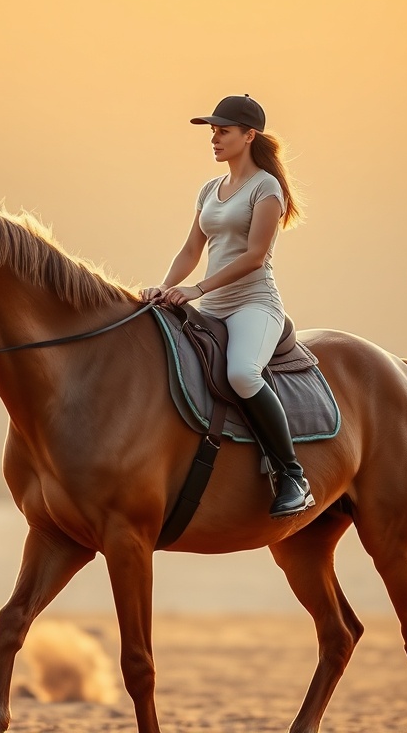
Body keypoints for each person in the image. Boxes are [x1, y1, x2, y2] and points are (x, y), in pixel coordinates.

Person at [141, 94, 314, 519]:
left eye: (223, 131)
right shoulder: (209, 189)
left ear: (249, 136)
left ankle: (292, 476)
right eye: (213, 132)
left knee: (241, 372)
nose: (214, 139)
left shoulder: (266, 187)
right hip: (211, 305)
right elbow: (190, 249)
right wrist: (165, 287)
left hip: (254, 304)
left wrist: (197, 289)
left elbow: (254, 256)